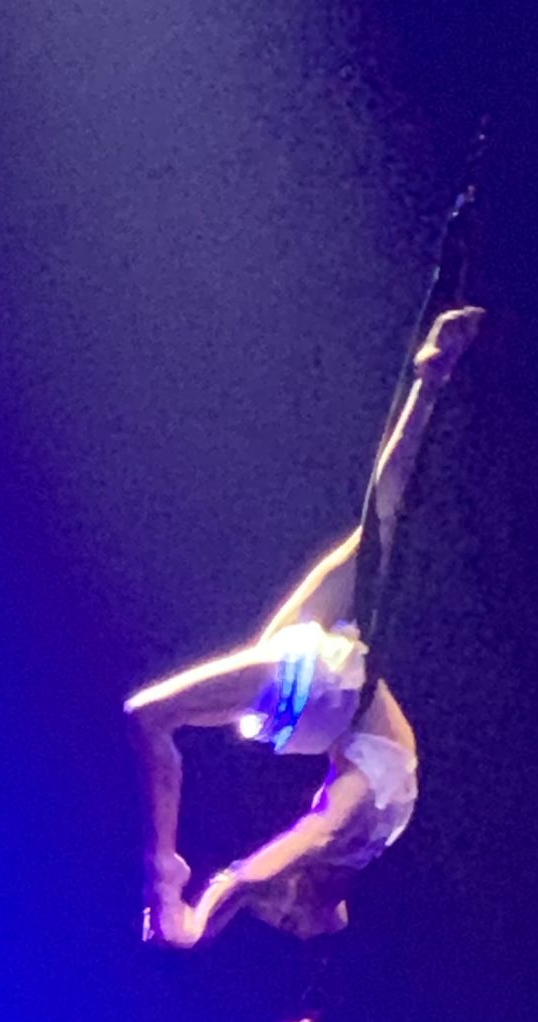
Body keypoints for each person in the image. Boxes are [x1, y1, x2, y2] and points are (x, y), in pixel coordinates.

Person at [125, 303, 483, 946]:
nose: (281, 916)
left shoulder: (378, 822)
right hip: (326, 687)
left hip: (330, 689)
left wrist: (226, 909)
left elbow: (277, 874)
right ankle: (163, 872)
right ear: (308, 894)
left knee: (378, 528)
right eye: (291, 919)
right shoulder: (350, 831)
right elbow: (266, 866)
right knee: (150, 716)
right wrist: (198, 920)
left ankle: (431, 379)